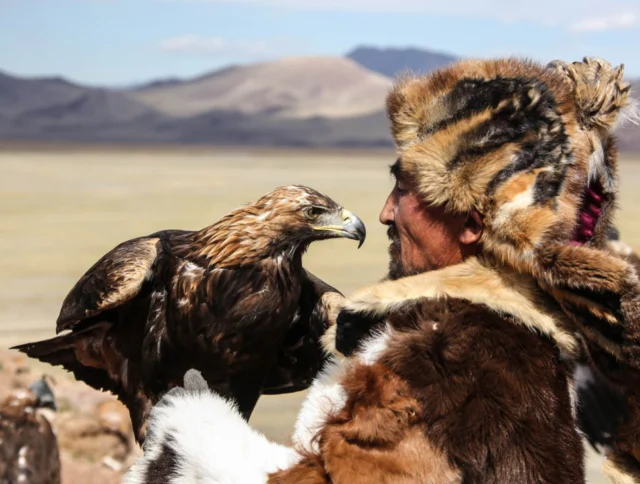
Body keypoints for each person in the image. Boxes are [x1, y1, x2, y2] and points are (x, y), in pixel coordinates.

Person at [123, 56, 640, 483]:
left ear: (473, 221)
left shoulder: (441, 364)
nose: (385, 211)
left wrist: (190, 441)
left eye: (405, 189)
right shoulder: (600, 336)